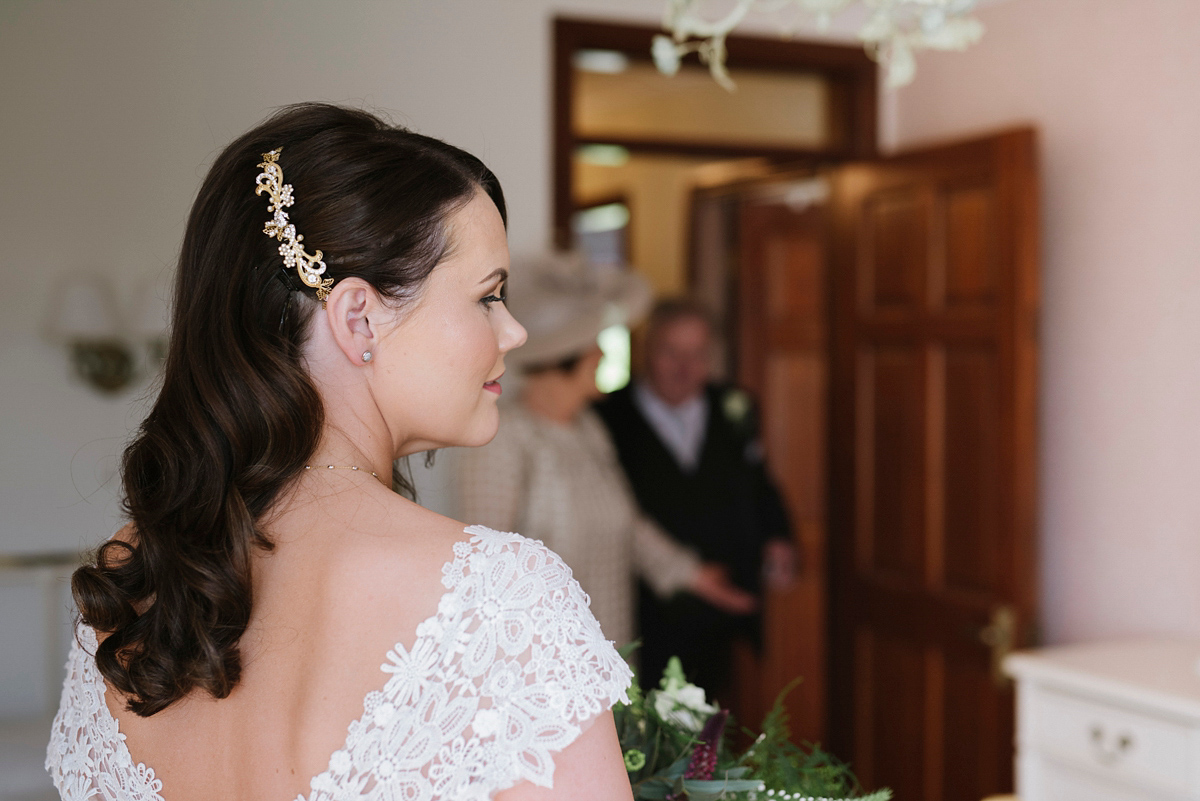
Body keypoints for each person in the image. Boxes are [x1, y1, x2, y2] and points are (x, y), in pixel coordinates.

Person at [46, 104, 634, 801]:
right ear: (358, 318)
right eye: (488, 296)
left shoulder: (138, 577)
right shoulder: (501, 601)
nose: (513, 331)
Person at [456, 259, 756, 648]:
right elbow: (486, 568)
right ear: (566, 355)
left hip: (610, 653)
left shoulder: (589, 430)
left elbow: (629, 526)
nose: (603, 357)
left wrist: (692, 574)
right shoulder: (504, 436)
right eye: (595, 345)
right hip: (543, 664)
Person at [594, 299, 794, 700]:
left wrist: (778, 536)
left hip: (724, 604)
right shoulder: (606, 416)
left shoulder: (734, 407)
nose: (684, 367)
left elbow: (758, 481)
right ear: (647, 349)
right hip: (646, 610)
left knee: (713, 723)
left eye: (697, 355)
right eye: (672, 352)